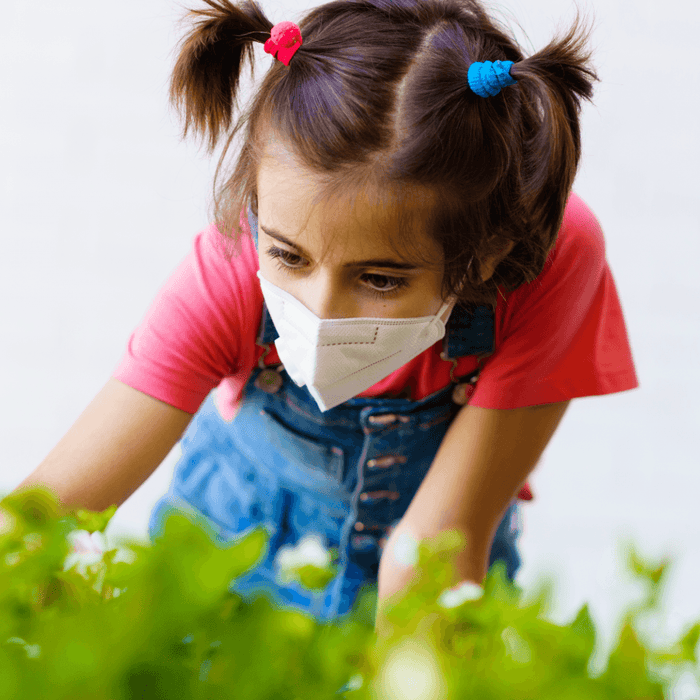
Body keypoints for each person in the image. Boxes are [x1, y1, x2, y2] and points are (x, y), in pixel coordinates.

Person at [12, 0, 638, 633]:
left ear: (486, 256)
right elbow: (41, 519)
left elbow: (430, 556)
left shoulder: (552, 261)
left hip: (428, 597)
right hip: (227, 559)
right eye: (287, 255)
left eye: (379, 278)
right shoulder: (229, 268)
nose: (320, 311)